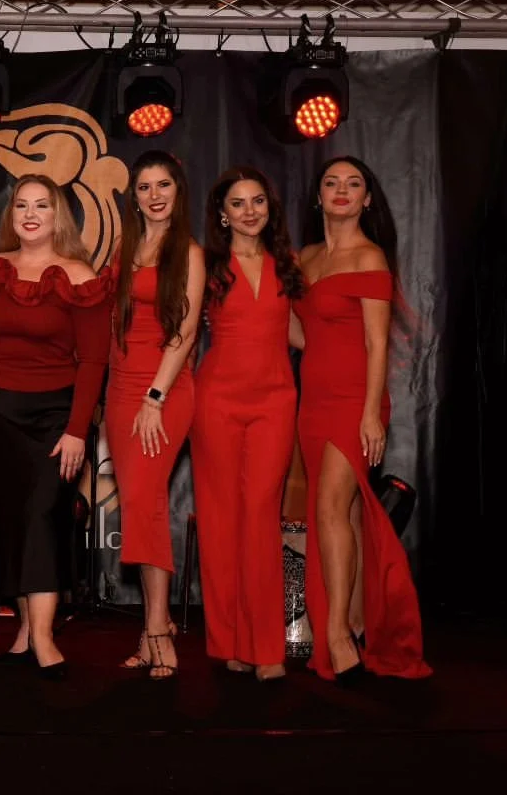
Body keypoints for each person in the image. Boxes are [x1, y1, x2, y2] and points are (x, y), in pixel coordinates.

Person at [0, 174, 113, 682]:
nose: (30, 214)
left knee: (42, 517)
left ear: (58, 216)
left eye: (42, 206)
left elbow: (94, 361)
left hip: (55, 416)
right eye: (22, 205)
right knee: (7, 520)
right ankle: (25, 632)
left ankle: (46, 637)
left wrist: (77, 430)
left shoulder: (78, 275)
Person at [294, 156, 430, 681]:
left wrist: (372, 413)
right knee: (343, 515)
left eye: (354, 184)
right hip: (314, 400)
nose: (342, 190)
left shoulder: (369, 257)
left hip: (356, 401)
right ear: (318, 196)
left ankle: (335, 638)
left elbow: (377, 343)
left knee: (329, 508)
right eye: (332, 182)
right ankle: (353, 622)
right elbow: (302, 334)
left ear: (368, 199)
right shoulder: (304, 257)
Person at [190, 167, 304, 682]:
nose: (250, 211)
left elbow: (303, 333)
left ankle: (267, 646)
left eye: (258, 201)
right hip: (215, 401)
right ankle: (231, 642)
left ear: (269, 208)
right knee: (219, 519)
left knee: (261, 514)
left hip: (275, 401)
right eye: (238, 203)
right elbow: (181, 331)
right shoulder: (207, 263)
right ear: (222, 213)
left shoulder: (288, 263)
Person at [105, 150, 204, 681]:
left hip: (160, 392)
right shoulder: (128, 246)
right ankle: (149, 631)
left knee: (145, 505)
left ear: (178, 191)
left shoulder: (187, 251)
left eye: (163, 185)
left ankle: (161, 630)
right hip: (120, 392)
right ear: (134, 197)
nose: (154, 195)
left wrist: (156, 396)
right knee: (141, 508)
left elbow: (185, 334)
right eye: (144, 187)